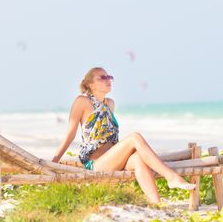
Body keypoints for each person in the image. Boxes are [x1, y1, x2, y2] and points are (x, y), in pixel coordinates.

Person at [52, 67, 195, 204]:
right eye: (102, 77)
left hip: (116, 161)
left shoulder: (110, 104)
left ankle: (156, 203)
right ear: (90, 84)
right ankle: (171, 177)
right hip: (97, 164)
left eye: (109, 77)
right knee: (134, 137)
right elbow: (70, 135)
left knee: (139, 158)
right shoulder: (82, 101)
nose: (108, 80)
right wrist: (54, 163)